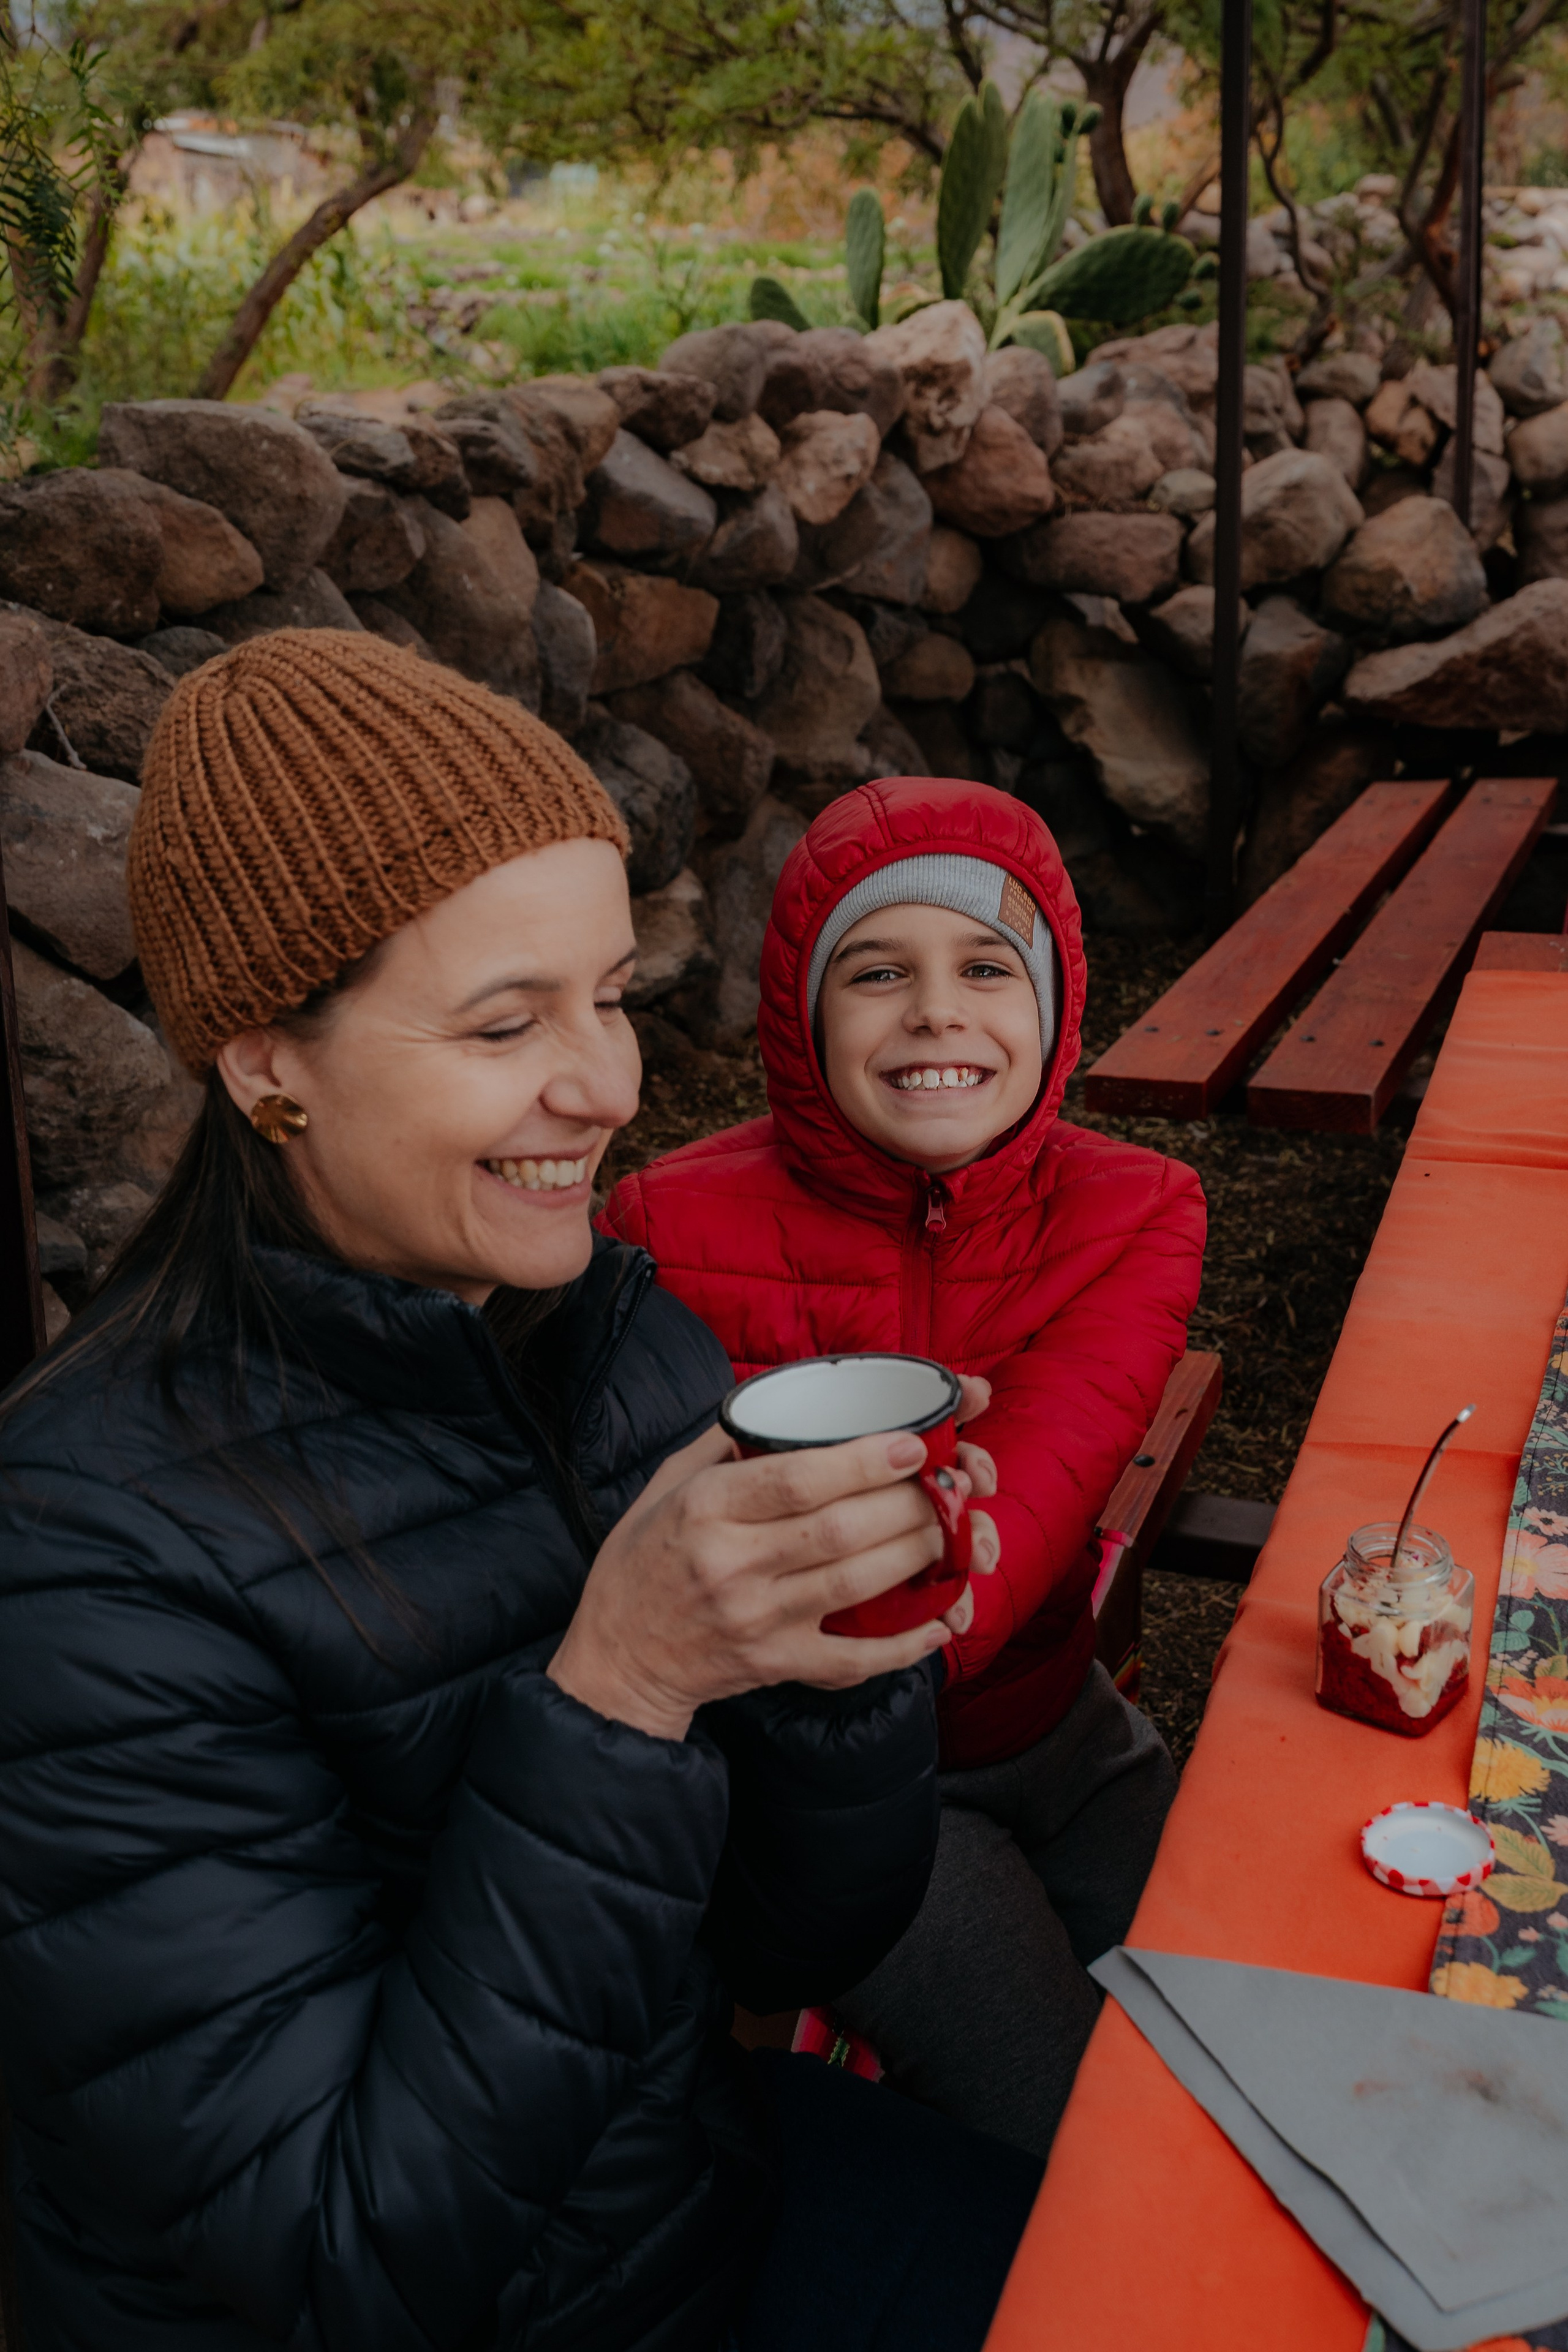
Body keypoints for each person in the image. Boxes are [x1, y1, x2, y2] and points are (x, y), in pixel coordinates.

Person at [0, 640, 1042, 2352]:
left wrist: (838, 1662)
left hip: (682, 2207)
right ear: (269, 1065)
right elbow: (346, 2256)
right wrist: (621, 1694)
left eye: (611, 996)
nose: (609, 1088)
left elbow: (802, 1935)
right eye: (506, 1024)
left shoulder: (616, 1339)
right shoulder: (82, 1554)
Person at [601, 775, 1207, 2157]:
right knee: (1079, 2145)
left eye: (987, 966)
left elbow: (1042, 1481)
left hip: (1061, 1736)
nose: (937, 1009)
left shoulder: (1136, 1209)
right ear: (800, 1013)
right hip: (855, 1819)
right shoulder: (658, 1224)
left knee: (1233, 2034)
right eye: (877, 970)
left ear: (1051, 1007)